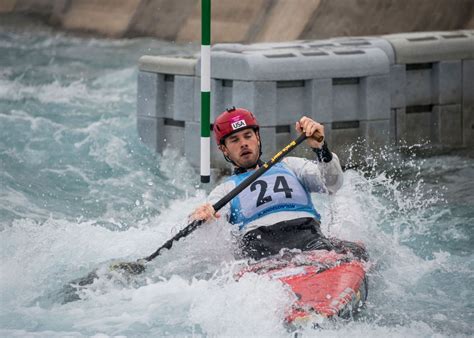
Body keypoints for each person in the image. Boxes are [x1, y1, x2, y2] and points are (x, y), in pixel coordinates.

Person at [190, 107, 346, 260]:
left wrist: (320, 148)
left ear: (257, 137)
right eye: (235, 140)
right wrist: (204, 216)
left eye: (248, 136)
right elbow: (215, 216)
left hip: (310, 238)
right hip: (262, 250)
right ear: (224, 149)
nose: (243, 143)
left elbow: (333, 184)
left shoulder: (291, 166)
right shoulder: (225, 190)